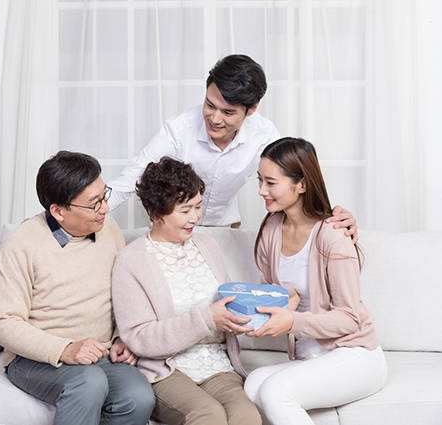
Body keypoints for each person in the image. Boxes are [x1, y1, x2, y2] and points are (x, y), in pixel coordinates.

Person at [108, 54, 358, 236]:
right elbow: (128, 180)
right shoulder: (178, 130)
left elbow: (294, 181)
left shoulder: (264, 135)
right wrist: (91, 210)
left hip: (226, 228)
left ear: (251, 110)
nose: (215, 119)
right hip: (172, 230)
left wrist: (333, 219)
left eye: (228, 112)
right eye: (210, 105)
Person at [0, 151, 155, 425]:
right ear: (58, 211)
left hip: (100, 354)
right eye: (94, 203)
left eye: (104, 196)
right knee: (88, 383)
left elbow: (126, 293)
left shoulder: (109, 229)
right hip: (36, 359)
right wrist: (65, 349)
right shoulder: (21, 244)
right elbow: (3, 323)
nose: (104, 208)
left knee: (139, 396)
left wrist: (121, 338)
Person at [243, 137, 387, 425]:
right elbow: (274, 295)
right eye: (260, 180)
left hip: (354, 354)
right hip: (309, 357)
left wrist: (292, 321)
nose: (261, 191)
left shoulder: (333, 235)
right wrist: (268, 306)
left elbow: (349, 319)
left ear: (301, 184)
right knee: (252, 385)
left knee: (275, 392)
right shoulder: (272, 228)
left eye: (271, 183)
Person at [112, 156, 261, 425]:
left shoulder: (207, 244)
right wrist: (207, 318)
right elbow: (139, 336)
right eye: (185, 210)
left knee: (247, 417)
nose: (195, 217)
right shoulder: (131, 260)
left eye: (198, 206)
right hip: (166, 369)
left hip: (218, 365)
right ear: (156, 213)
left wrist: (240, 319)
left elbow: (227, 302)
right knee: (208, 416)